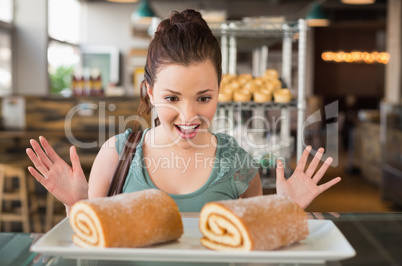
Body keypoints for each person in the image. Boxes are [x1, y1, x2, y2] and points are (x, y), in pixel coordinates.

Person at [26, 9, 341, 213]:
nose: (189, 115)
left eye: (203, 98)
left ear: (219, 90)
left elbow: (256, 259)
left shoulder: (238, 164)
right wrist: (78, 206)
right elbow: (90, 251)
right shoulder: (116, 156)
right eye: (172, 99)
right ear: (150, 93)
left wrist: (285, 212)